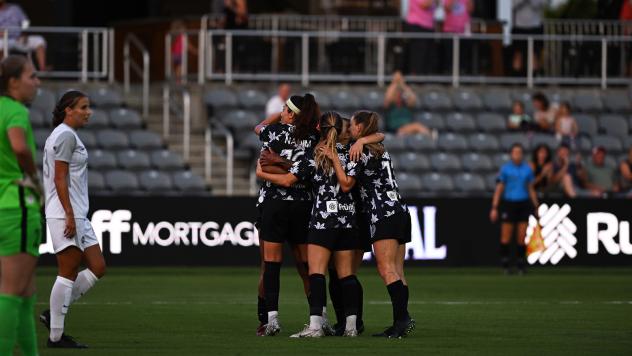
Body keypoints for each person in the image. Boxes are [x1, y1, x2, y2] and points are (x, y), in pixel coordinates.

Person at [256, 112, 362, 338]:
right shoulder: (353, 153)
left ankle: (315, 326)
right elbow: (347, 184)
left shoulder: (315, 156)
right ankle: (351, 327)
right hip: (347, 219)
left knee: (316, 273)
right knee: (346, 275)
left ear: (319, 130)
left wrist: (262, 172)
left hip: (323, 220)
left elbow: (287, 180)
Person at [328, 110, 415, 338]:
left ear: (359, 128)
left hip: (382, 213)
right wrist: (367, 138)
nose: (351, 129)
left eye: (353, 126)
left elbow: (346, 184)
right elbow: (381, 135)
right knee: (397, 270)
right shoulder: (378, 147)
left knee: (386, 269)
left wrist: (335, 158)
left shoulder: (362, 150)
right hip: (399, 210)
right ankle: (401, 320)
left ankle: (402, 320)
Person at [40, 90, 106, 348]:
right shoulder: (66, 135)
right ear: (69, 110)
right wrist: (68, 214)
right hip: (66, 213)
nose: (88, 112)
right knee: (67, 271)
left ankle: (52, 314)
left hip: (77, 213)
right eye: (83, 107)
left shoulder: (63, 135)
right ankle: (56, 335)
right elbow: (59, 178)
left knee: (98, 266)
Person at [253, 94, 321, 336]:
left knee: (271, 264)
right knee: (306, 265)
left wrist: (275, 163)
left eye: (285, 108)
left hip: (275, 203)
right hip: (303, 205)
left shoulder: (273, 133)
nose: (281, 111)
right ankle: (318, 317)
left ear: (291, 114)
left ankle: (271, 320)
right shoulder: (314, 137)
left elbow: (258, 127)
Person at [0, 54, 41, 356]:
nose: (37, 82)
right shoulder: (14, 110)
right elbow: (18, 145)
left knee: (26, 293)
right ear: (13, 82)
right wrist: (32, 175)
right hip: (16, 204)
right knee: (13, 292)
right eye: (32, 76)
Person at [490, 143, 539, 274]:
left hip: (523, 203)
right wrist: (494, 207)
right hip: (509, 203)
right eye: (515, 152)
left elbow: (530, 188)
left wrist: (536, 206)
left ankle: (520, 264)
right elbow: (499, 188)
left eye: (519, 152)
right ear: (511, 154)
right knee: (506, 236)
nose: (517, 155)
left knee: (521, 236)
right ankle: (505, 264)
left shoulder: (527, 170)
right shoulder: (505, 169)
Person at [0, 1, 48, 71]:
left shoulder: (15, 8)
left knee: (39, 40)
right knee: (0, 44)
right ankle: (2, 71)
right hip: (2, 39)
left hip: (18, 38)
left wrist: (24, 33)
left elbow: (25, 22)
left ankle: (42, 68)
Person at [383, 71, 431, 136]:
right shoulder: (391, 97)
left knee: (417, 128)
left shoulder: (405, 97)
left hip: (408, 127)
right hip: (395, 129)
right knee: (417, 127)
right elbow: (387, 101)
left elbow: (413, 101)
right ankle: (430, 136)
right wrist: (394, 83)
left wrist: (402, 84)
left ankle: (429, 138)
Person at [510, 0, 547, 76]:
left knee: (534, 53)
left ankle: (534, 76)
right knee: (518, 53)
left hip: (535, 26)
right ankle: (516, 76)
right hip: (519, 26)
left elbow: (541, 4)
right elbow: (513, 5)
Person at [405, 0, 436, 74]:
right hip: (417, 25)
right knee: (418, 52)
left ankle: (425, 76)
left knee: (428, 53)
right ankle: (416, 75)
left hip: (429, 26)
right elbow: (425, 5)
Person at [169, 20, 199, 84]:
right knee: (179, 70)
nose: (186, 30)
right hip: (180, 56)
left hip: (173, 55)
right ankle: (179, 83)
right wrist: (197, 52)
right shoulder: (183, 37)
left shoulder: (172, 37)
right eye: (185, 28)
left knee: (175, 71)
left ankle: (176, 82)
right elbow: (189, 46)